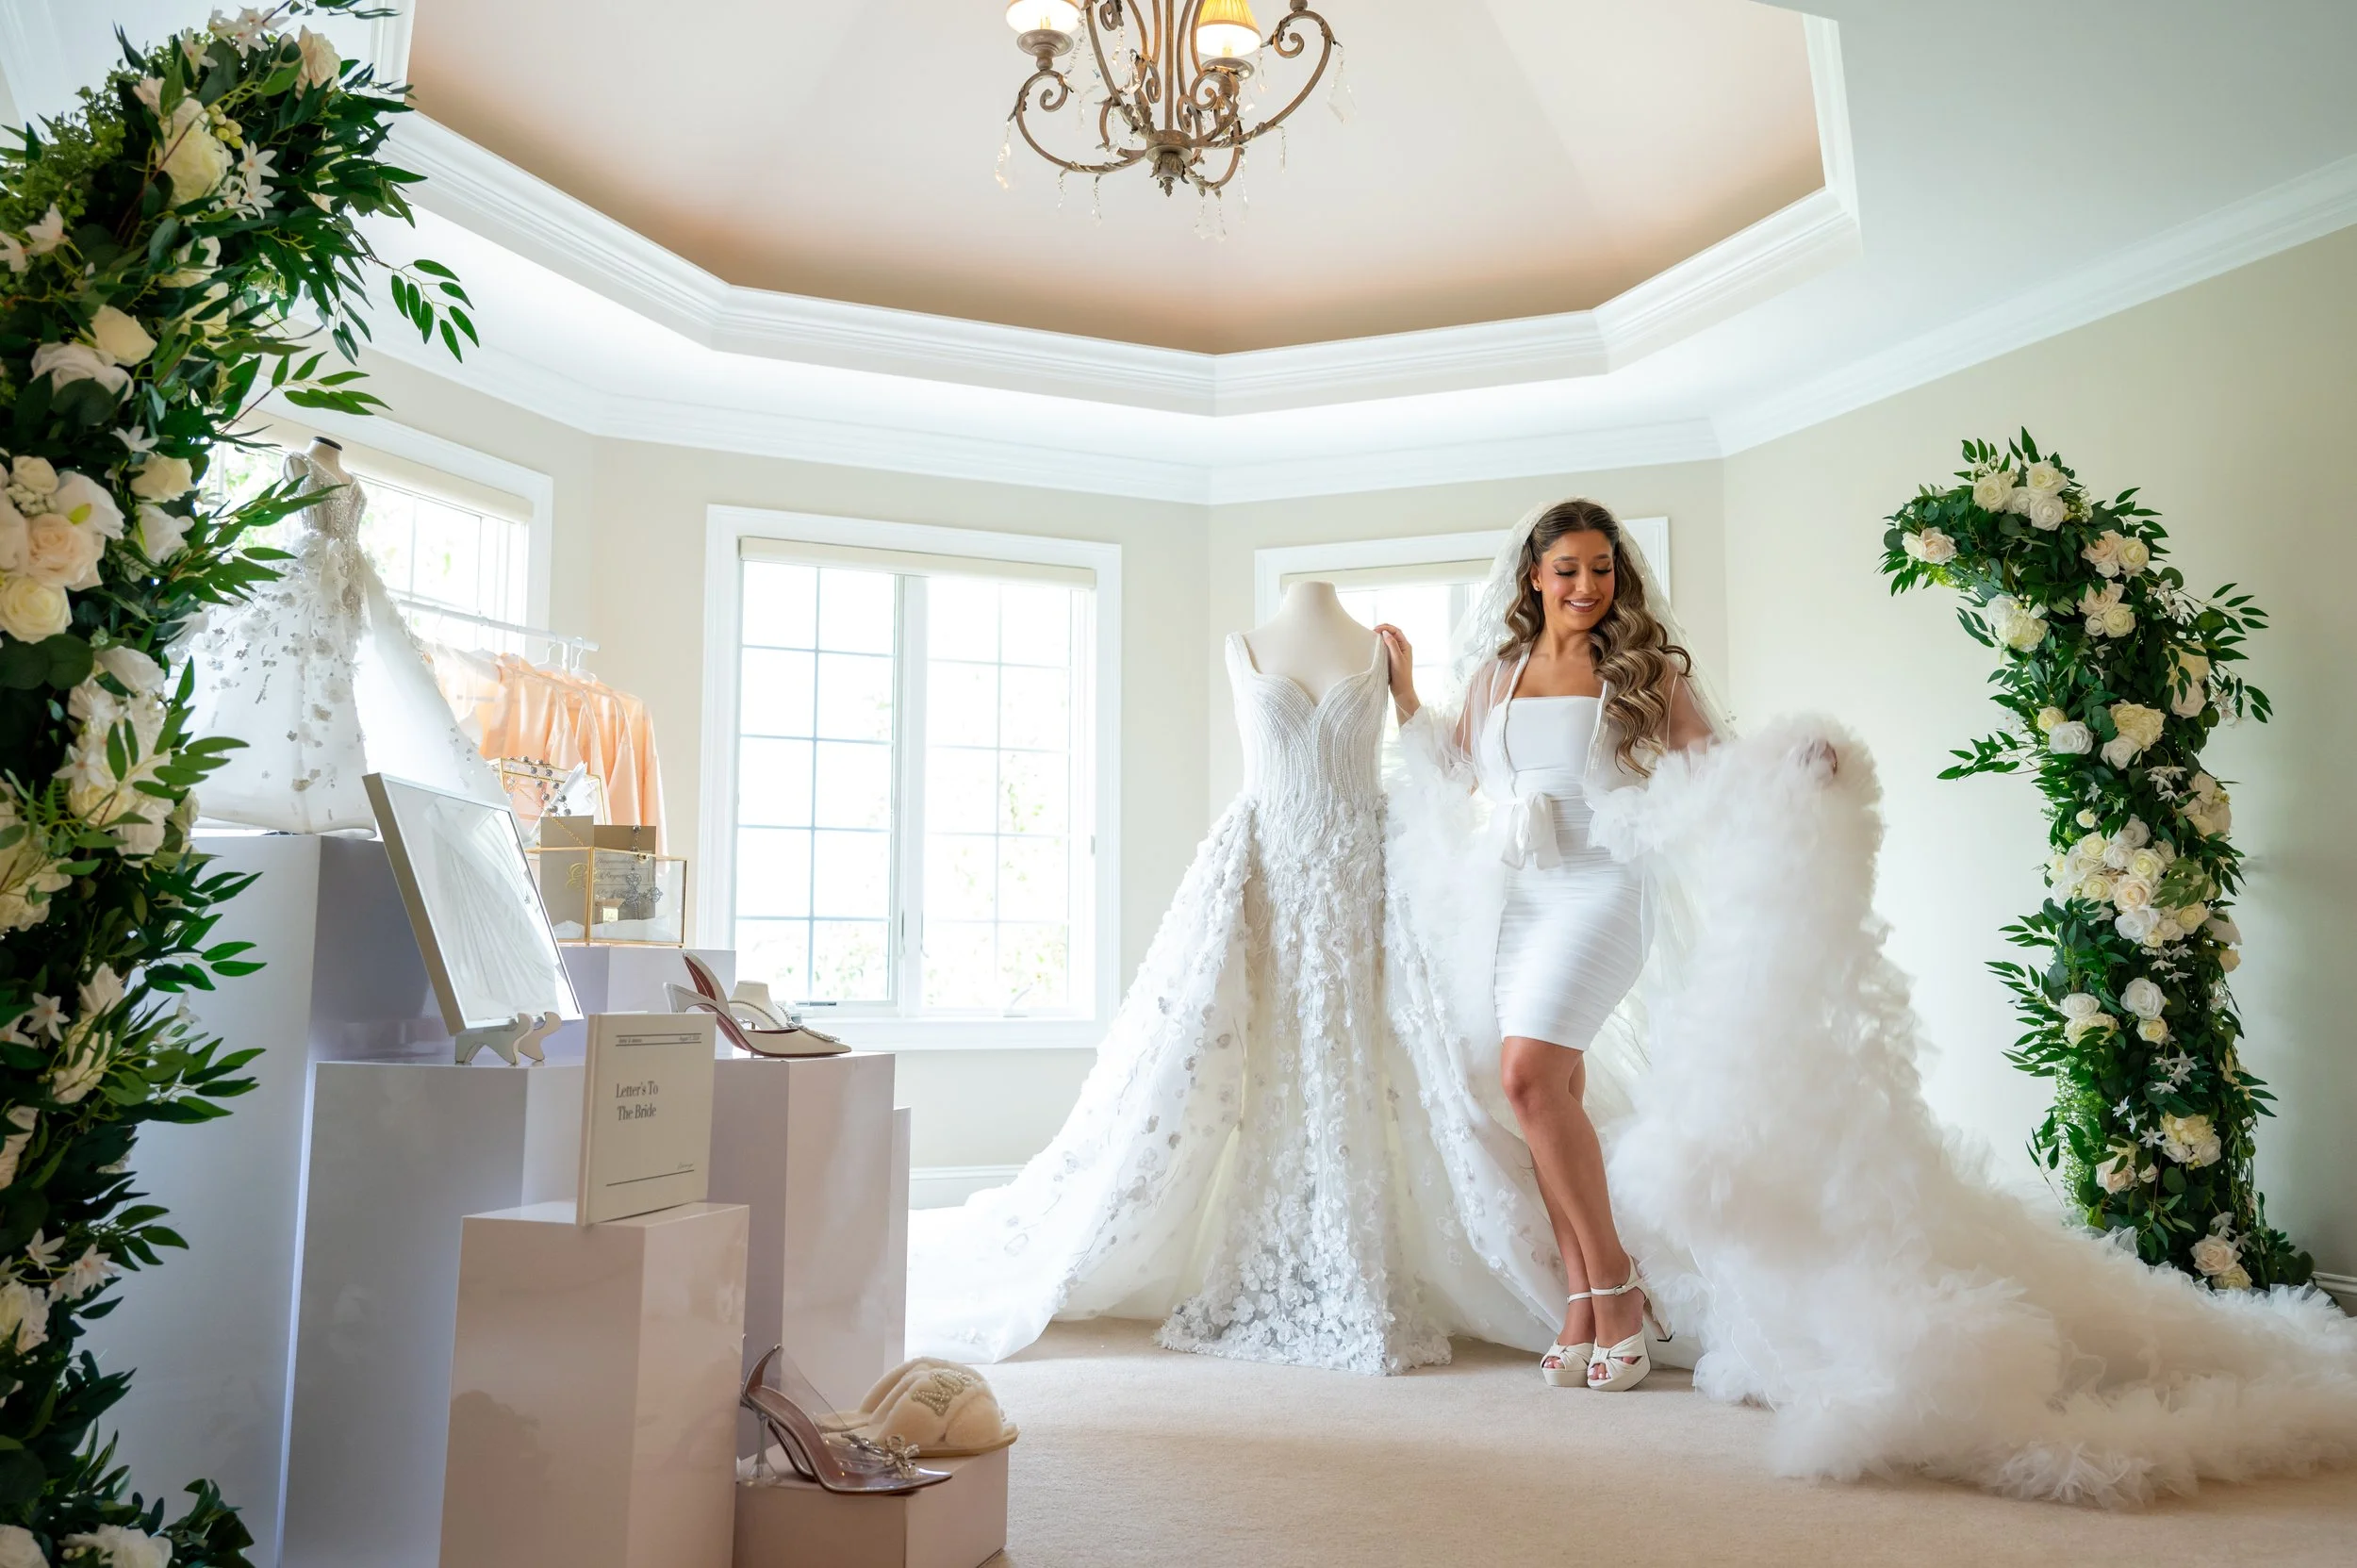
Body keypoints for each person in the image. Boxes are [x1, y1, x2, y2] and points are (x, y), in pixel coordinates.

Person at [1377, 498, 1716, 1392]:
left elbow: (1712, 763)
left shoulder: (1646, 671)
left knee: (1530, 1073)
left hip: (1606, 883)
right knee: (1538, 1091)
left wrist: (1794, 771)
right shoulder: (1501, 670)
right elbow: (1451, 771)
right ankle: (1579, 1300)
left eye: (1601, 568)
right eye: (1567, 568)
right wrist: (1407, 691)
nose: (1587, 585)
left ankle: (1618, 1287)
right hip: (1521, 890)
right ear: (1534, 574)